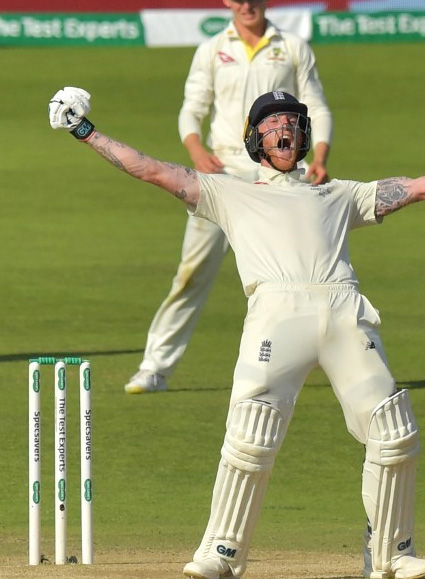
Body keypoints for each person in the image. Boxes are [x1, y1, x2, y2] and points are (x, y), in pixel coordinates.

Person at [48, 86, 425, 579]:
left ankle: (392, 552)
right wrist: (83, 130)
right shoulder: (228, 192)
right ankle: (221, 552)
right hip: (276, 316)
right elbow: (151, 169)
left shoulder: (339, 194)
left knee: (394, 433)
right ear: (255, 138)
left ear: (303, 136)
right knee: (250, 438)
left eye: (292, 123)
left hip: (344, 312)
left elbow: (423, 186)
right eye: (273, 123)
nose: (284, 130)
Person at [124, 0, 333, 395]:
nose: (247, 5)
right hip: (224, 174)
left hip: (280, 173)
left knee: (305, 271)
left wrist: (319, 156)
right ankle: (155, 367)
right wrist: (196, 151)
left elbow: (316, 107)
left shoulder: (291, 46)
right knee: (193, 271)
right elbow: (192, 109)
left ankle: (325, 359)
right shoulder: (213, 49)